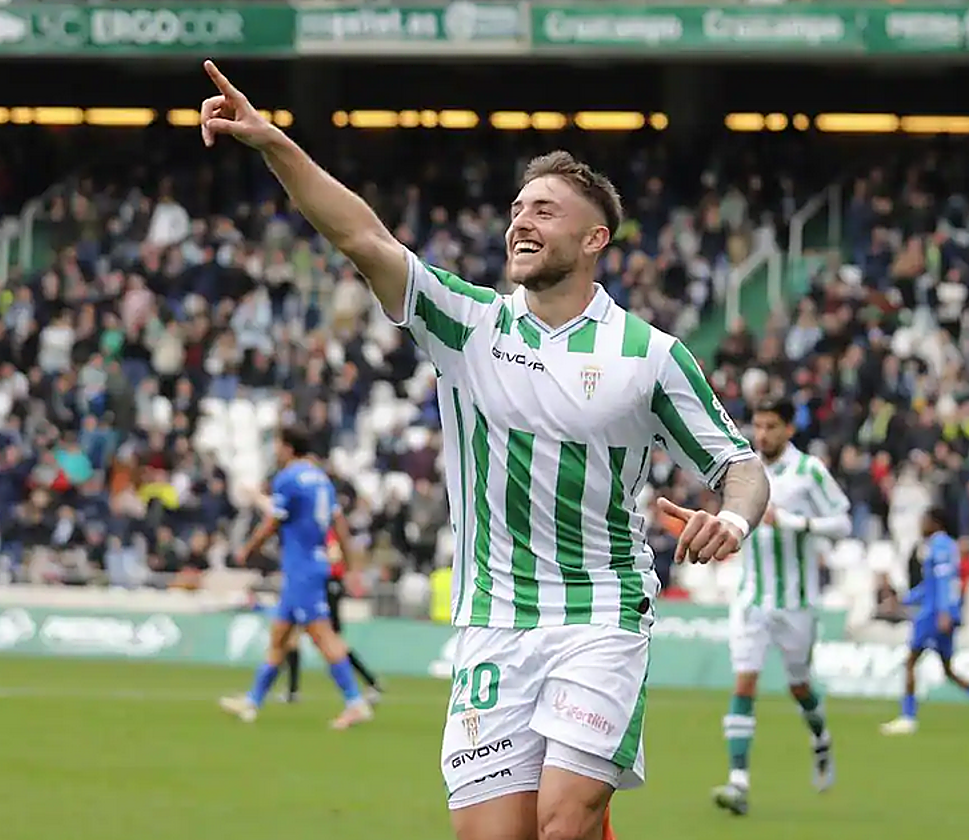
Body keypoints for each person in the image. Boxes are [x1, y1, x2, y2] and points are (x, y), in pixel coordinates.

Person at [199, 60, 770, 840]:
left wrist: (732, 523)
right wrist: (273, 143)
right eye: (517, 208)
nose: (522, 221)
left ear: (595, 237)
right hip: (493, 621)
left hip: (599, 614)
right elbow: (361, 235)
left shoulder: (651, 355)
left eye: (545, 209)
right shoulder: (469, 325)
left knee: (561, 824)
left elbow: (739, 466)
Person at [712, 398, 851, 817]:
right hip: (752, 599)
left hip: (797, 603)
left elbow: (843, 522)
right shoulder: (744, 469)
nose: (763, 434)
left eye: (771, 426)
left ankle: (821, 737)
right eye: (758, 425)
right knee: (744, 684)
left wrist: (795, 522)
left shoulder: (809, 471)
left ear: (789, 429)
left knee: (799, 685)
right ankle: (738, 782)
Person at [219, 426, 373, 730]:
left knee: (322, 637)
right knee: (279, 637)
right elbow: (339, 525)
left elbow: (273, 521)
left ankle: (355, 702)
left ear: (289, 448)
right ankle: (251, 702)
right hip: (308, 566)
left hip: (302, 569)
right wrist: (351, 564)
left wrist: (248, 549)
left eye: (278, 445)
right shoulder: (322, 480)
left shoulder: (288, 478)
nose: (276, 451)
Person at [879, 507, 969, 736]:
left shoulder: (938, 547)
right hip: (943, 611)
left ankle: (908, 718)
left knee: (910, 662)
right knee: (948, 669)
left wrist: (944, 612)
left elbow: (943, 581)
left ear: (936, 523)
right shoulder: (949, 547)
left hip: (933, 614)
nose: (921, 525)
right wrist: (905, 600)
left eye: (924, 521)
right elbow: (932, 585)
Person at [274, 528, 384, 704]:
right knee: (294, 637)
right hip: (315, 585)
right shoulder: (317, 527)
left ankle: (369, 684)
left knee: (331, 641)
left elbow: (335, 556)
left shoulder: (323, 529)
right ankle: (292, 690)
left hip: (326, 586)